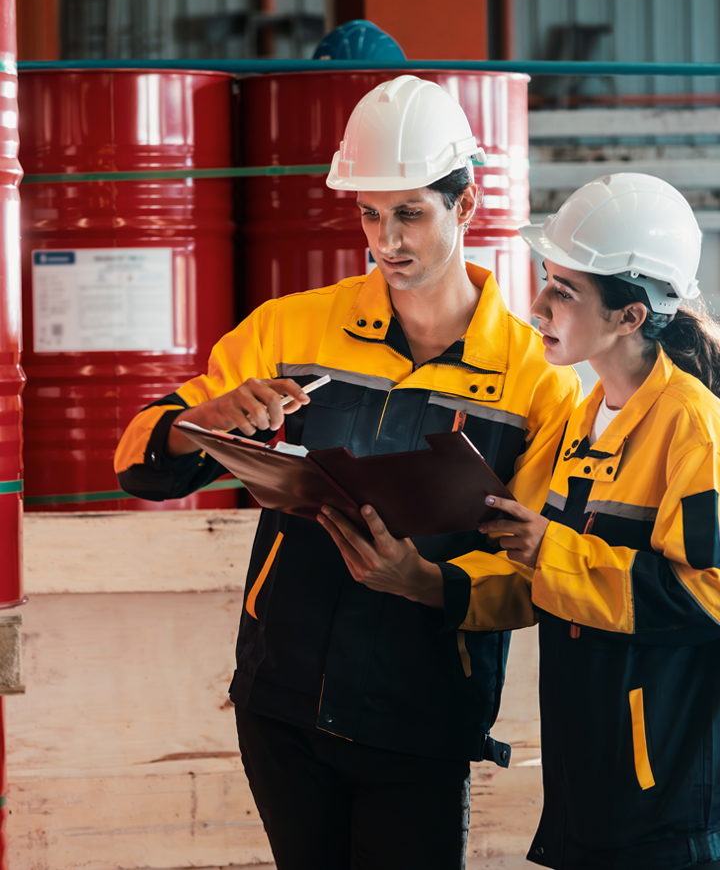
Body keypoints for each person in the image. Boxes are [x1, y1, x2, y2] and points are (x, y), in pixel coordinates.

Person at [114, 74, 580, 870]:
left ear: (466, 208)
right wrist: (215, 419)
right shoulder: (292, 327)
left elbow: (538, 567)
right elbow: (136, 457)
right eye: (368, 213)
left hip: (420, 717)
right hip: (279, 705)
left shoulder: (539, 379)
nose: (385, 240)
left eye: (409, 213)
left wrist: (425, 583)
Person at [328, 171, 720, 870]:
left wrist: (553, 553)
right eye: (545, 277)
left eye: (564, 291)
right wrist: (428, 579)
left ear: (630, 318)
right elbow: (538, 571)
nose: (536, 304)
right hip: (591, 780)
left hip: (667, 796)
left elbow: (709, 592)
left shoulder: (692, 425)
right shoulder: (579, 418)